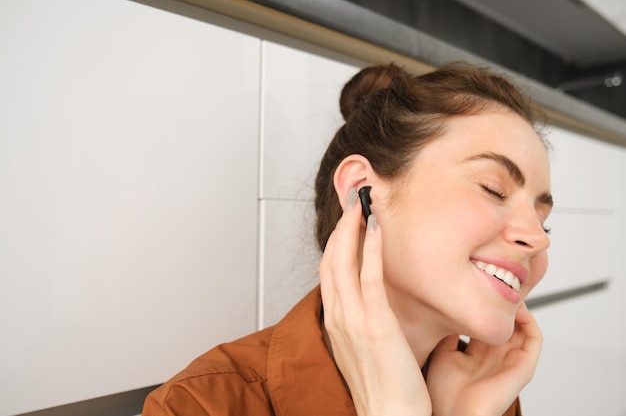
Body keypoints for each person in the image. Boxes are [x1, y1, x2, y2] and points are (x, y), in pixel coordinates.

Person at [143, 62, 552, 416]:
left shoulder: (483, 392)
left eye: (543, 219)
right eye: (493, 189)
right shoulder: (200, 407)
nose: (537, 238)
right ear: (363, 192)